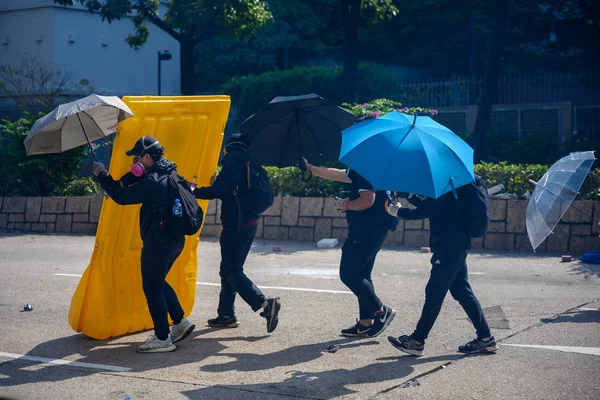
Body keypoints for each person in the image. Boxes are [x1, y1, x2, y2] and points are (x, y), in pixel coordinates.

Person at [92, 136, 195, 353]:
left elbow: (120, 196)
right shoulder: (171, 173)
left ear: (147, 156)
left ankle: (162, 338)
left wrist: (102, 175)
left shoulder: (152, 182)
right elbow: (129, 183)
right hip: (175, 240)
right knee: (157, 281)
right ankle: (179, 322)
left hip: (159, 242)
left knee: (151, 286)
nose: (135, 162)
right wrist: (129, 176)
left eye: (137, 157)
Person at [387, 191, 497, 356]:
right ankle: (486, 338)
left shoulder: (448, 184)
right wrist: (411, 196)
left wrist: (398, 211)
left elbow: (427, 210)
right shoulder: (459, 182)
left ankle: (417, 341)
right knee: (462, 292)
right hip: (458, 242)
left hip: (448, 246)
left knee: (434, 292)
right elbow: (433, 205)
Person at [193, 133, 281, 333]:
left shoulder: (232, 163)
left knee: (232, 271)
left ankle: (265, 305)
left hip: (236, 225)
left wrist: (193, 190)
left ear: (229, 147)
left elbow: (218, 191)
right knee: (228, 269)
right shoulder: (251, 163)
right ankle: (226, 315)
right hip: (249, 223)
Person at [304, 161, 396, 338]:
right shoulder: (372, 166)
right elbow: (338, 174)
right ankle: (365, 323)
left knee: (349, 274)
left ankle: (381, 311)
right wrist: (312, 169)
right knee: (363, 275)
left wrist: (345, 204)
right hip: (376, 228)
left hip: (366, 230)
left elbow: (367, 200)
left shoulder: (365, 167)